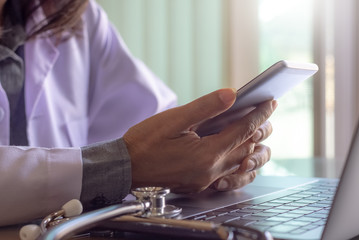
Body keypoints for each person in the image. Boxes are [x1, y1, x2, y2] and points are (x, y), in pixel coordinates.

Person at [0, 0, 276, 227]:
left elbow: (150, 120)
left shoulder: (74, 17)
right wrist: (124, 167)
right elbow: (133, 158)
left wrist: (206, 157)